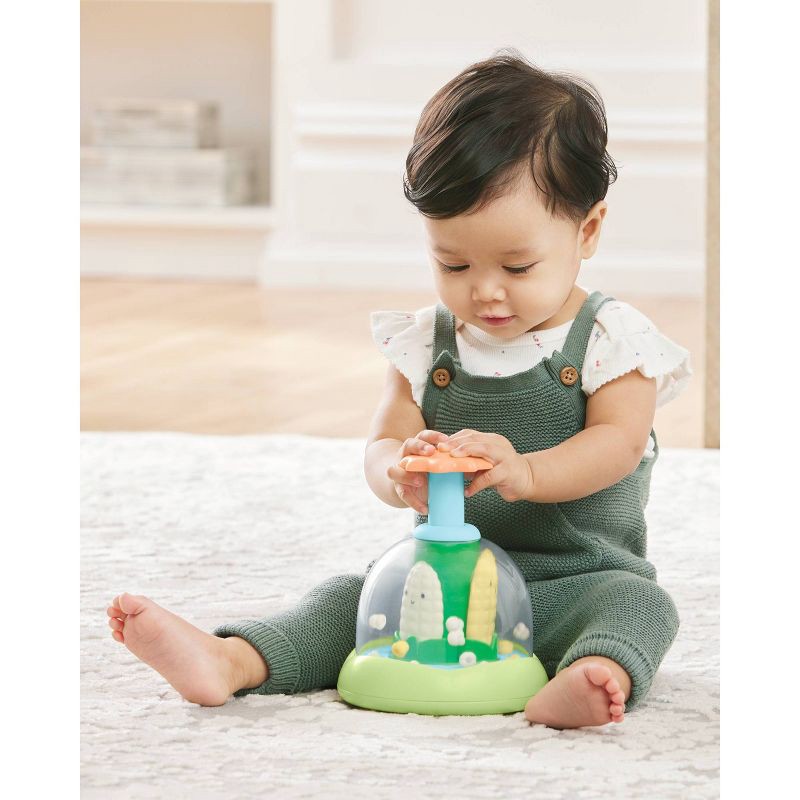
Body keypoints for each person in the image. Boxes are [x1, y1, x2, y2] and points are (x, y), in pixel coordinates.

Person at [106, 51, 691, 729]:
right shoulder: (425, 342)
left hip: (579, 580)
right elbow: (385, 439)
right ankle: (233, 659)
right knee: (344, 601)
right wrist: (397, 471)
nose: (485, 290)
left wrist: (527, 471)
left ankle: (591, 674)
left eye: (517, 266)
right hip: (439, 587)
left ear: (586, 231)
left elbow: (618, 444)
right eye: (454, 263)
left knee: (642, 607)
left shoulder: (611, 339)